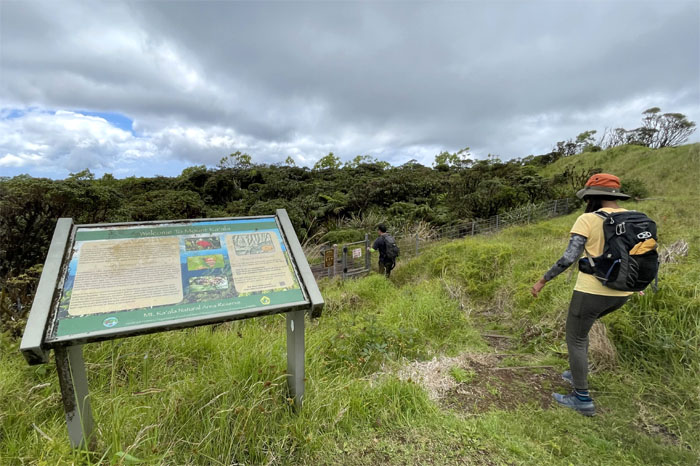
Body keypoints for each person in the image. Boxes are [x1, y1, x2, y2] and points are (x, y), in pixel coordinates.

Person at [530, 173, 633, 417]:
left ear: (592, 197)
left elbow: (569, 257)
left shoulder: (587, 219)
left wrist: (543, 280)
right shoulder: (633, 218)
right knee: (583, 331)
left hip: (592, 290)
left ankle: (582, 398)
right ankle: (577, 371)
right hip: (624, 291)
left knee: (575, 338)